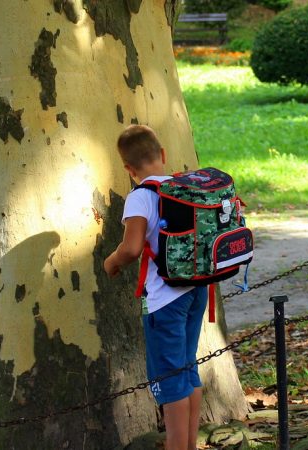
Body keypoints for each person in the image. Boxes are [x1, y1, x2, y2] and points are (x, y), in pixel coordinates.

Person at [103, 124, 206, 450]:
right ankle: (189, 444)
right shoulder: (184, 186)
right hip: (196, 290)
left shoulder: (141, 197)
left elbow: (132, 249)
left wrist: (111, 262)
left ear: (129, 170)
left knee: (171, 379)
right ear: (162, 155)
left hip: (164, 300)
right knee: (188, 368)